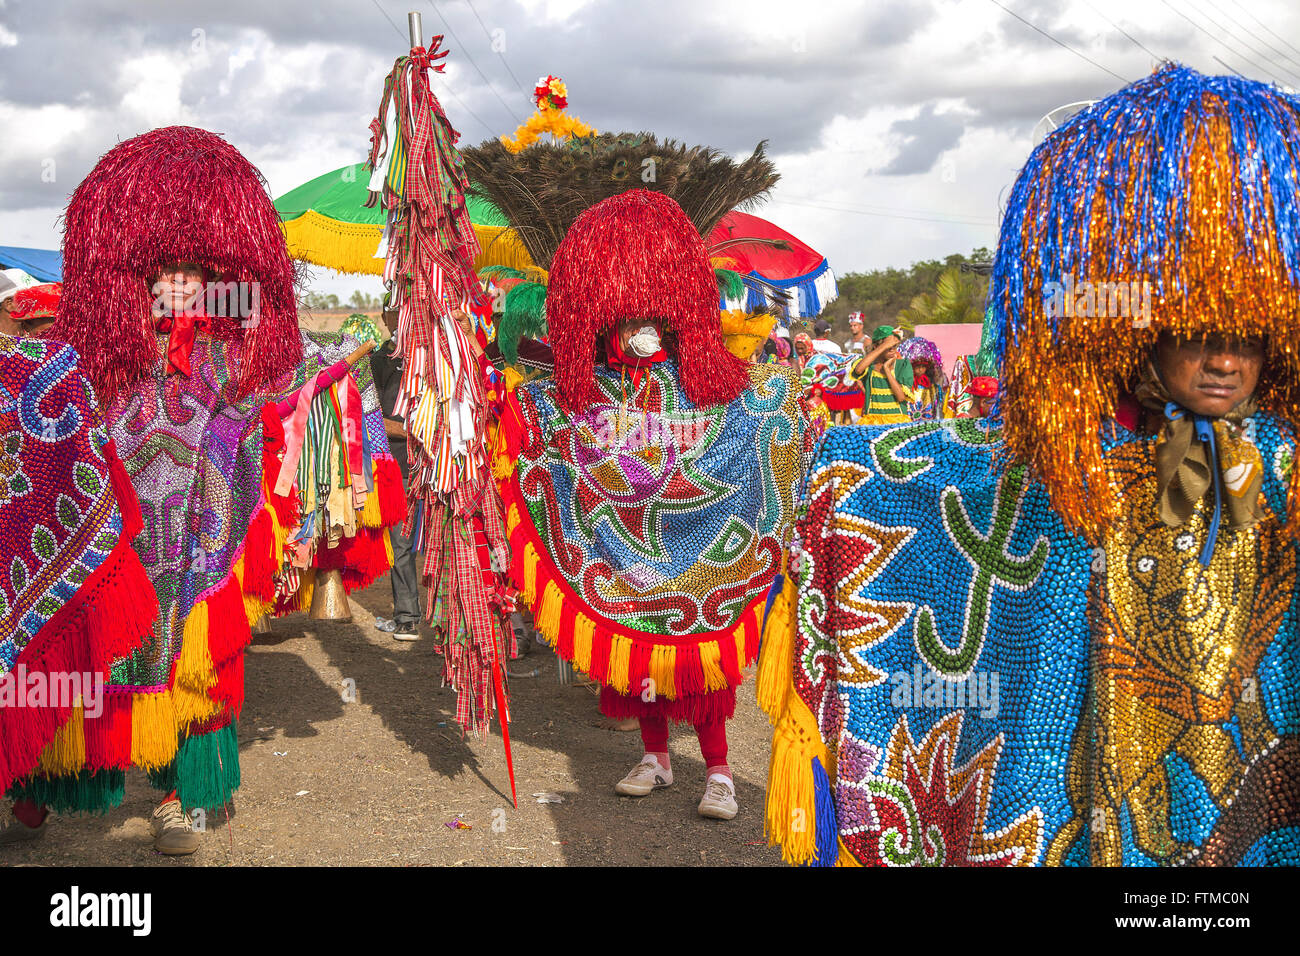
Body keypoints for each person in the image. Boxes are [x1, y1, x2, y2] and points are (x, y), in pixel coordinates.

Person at [762, 64, 1300, 867]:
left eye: (1248, 335)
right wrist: (848, 473)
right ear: (1138, 334)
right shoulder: (1058, 471)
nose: (1226, 362)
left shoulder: (1280, 474)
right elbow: (948, 493)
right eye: (1198, 331)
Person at [500, 190, 809, 821]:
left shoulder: (704, 379)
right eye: (625, 318)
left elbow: (746, 420)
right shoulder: (589, 388)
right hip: (619, 546)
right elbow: (557, 431)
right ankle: (656, 758)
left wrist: (785, 401)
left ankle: (719, 771)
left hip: (704, 542)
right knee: (636, 651)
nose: (638, 330)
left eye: (648, 316)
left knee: (701, 659)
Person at [368, 307, 422, 641]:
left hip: (440, 466)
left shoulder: (435, 354)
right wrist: (415, 431)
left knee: (451, 542)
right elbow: (370, 414)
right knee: (401, 545)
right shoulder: (381, 359)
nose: (399, 317)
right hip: (399, 467)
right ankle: (407, 617)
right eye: (393, 312)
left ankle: (464, 624)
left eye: (406, 310)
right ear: (386, 319)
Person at [851, 325, 912, 424]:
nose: (892, 349)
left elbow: (901, 397)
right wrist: (884, 345)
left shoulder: (903, 365)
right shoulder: (869, 365)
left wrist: (887, 370)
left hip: (897, 421)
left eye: (894, 346)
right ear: (876, 346)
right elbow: (858, 370)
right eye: (888, 347)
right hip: (872, 422)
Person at [896, 335, 948, 420]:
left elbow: (937, 407)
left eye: (923, 367)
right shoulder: (907, 385)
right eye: (917, 367)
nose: (920, 370)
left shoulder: (933, 387)